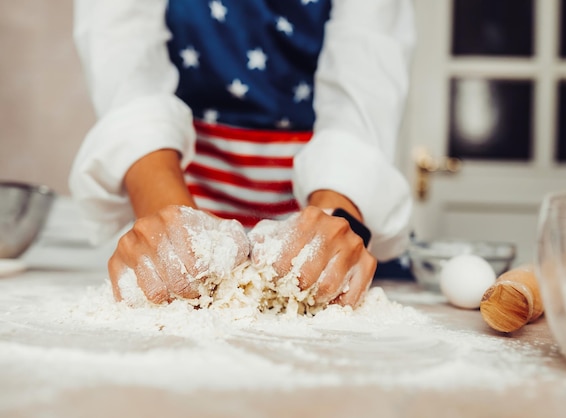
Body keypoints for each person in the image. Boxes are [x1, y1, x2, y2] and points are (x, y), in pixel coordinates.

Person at [70, 0, 415, 308]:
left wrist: (334, 217)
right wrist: (170, 230)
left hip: (314, 199)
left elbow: (365, 80)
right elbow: (125, 63)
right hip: (182, 185)